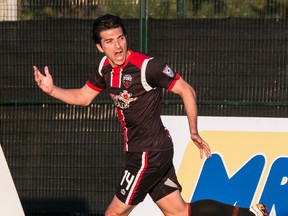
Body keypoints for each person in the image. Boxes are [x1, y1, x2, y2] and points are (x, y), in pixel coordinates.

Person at [33, 14, 268, 216]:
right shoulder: (104, 67)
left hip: (149, 154)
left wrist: (193, 131)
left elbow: (187, 90)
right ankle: (252, 213)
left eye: (121, 38)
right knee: (179, 211)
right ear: (99, 47)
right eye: (109, 41)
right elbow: (84, 97)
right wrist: (53, 90)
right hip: (147, 151)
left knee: (114, 213)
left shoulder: (147, 66)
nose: (118, 46)